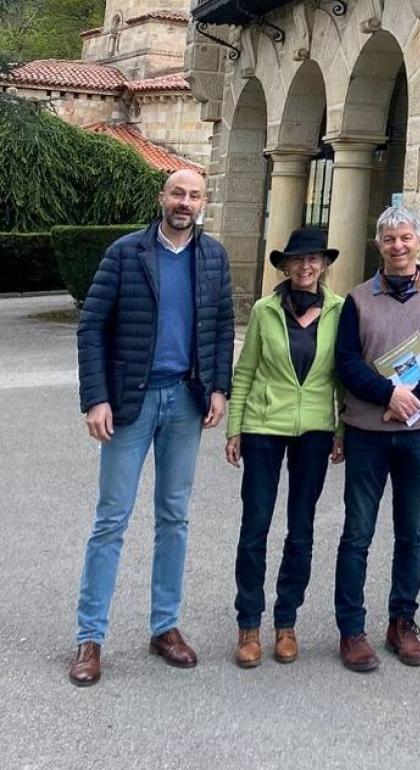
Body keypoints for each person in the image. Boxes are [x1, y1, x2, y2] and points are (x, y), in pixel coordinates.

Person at [69, 169, 234, 686]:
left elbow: (223, 327)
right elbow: (92, 326)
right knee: (111, 520)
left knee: (174, 518)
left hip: (185, 403)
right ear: (162, 198)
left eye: (194, 195)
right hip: (130, 404)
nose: (185, 202)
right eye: (177, 193)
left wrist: (218, 387)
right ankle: (90, 636)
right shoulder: (125, 253)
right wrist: (96, 397)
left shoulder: (214, 257)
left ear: (204, 202)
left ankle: (165, 627)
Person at [333, 206, 420, 672]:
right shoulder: (358, 299)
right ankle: (352, 629)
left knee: (412, 534)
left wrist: (415, 400)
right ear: (379, 246)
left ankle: (402, 622)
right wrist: (388, 394)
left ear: (419, 242)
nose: (398, 247)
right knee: (357, 534)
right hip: (369, 433)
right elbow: (346, 362)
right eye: (389, 240)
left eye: (406, 238)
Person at [226, 227, 346, 668]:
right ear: (285, 266)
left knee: (302, 527)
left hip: (314, 428)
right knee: (255, 523)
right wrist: (234, 426)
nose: (306, 266)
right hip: (263, 424)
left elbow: (340, 376)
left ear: (324, 265)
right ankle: (249, 623)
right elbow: (246, 369)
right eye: (297, 260)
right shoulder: (265, 310)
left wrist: (341, 430)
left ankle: (286, 620)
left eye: (313, 259)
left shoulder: (338, 310)